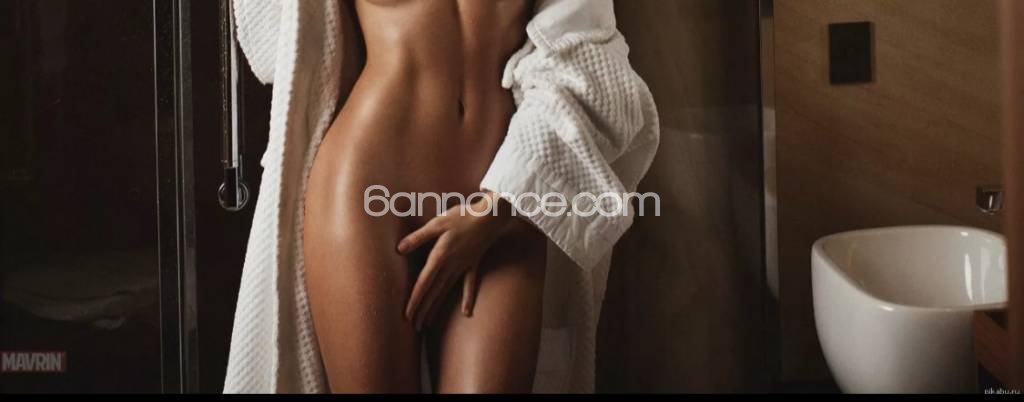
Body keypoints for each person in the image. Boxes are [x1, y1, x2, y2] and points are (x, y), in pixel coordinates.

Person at [225, 0, 660, 393]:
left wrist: (499, 205)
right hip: (368, 186)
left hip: (502, 194)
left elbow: (587, 50)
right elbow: (272, 44)